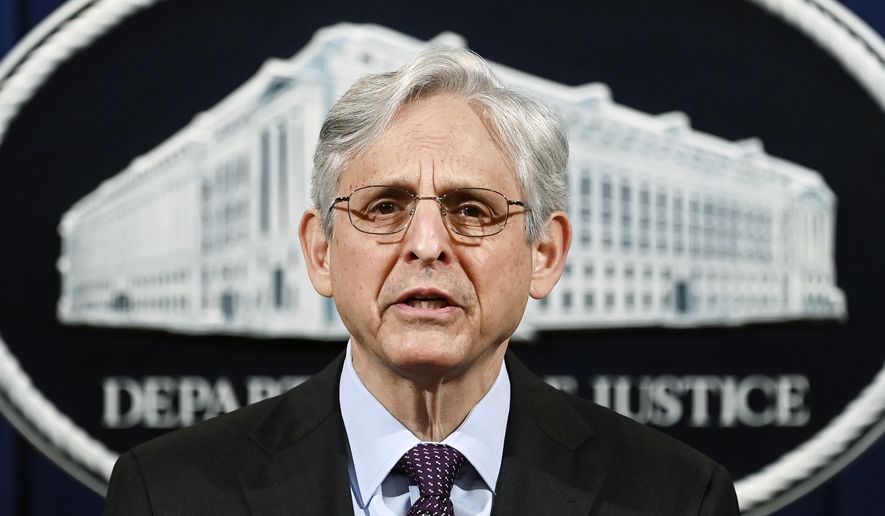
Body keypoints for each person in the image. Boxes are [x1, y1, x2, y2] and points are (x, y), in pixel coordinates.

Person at [103, 46, 740, 516]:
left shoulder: (677, 499)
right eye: (384, 207)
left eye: (471, 209)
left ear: (544, 253)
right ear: (322, 250)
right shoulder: (169, 495)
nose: (428, 245)